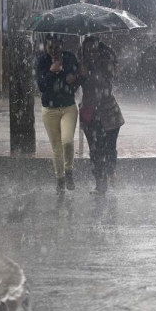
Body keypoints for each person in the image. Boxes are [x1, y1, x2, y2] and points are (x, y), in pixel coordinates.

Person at [78, 35, 124, 195]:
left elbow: (104, 83)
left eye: (93, 50)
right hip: (89, 113)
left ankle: (111, 171)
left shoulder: (106, 61)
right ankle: (100, 184)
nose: (90, 53)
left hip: (108, 114)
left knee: (109, 149)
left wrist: (88, 72)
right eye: (87, 51)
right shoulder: (83, 62)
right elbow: (78, 83)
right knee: (95, 151)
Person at [35, 34, 80, 193]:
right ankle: (60, 179)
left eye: (56, 47)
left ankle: (69, 171)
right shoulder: (42, 61)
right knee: (56, 147)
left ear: (62, 45)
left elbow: (78, 76)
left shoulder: (70, 58)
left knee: (67, 141)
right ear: (46, 47)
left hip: (68, 107)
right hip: (50, 109)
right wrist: (52, 72)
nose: (53, 51)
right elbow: (41, 85)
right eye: (50, 47)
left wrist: (73, 79)